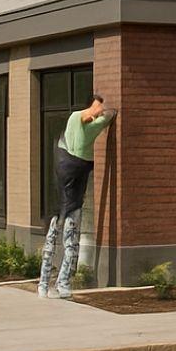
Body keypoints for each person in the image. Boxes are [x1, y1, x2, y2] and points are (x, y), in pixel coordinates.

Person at [38, 92, 117, 298]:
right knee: (61, 233)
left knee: (68, 235)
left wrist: (101, 113)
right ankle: (51, 283)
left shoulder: (92, 128)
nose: (96, 112)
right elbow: (95, 115)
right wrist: (97, 111)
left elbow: (109, 116)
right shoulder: (75, 119)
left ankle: (56, 284)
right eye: (94, 108)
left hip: (73, 191)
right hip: (67, 184)